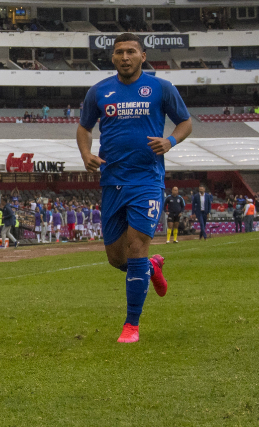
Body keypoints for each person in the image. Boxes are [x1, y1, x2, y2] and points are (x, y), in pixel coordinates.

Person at [77, 32, 193, 343]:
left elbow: (185, 122)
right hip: (112, 182)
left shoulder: (160, 88)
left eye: (131, 52)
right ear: (112, 58)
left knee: (137, 248)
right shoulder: (99, 92)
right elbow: (84, 127)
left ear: (142, 56)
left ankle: (131, 325)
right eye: (119, 53)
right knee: (117, 258)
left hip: (146, 181)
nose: (124, 57)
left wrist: (170, 141)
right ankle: (152, 267)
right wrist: (86, 153)